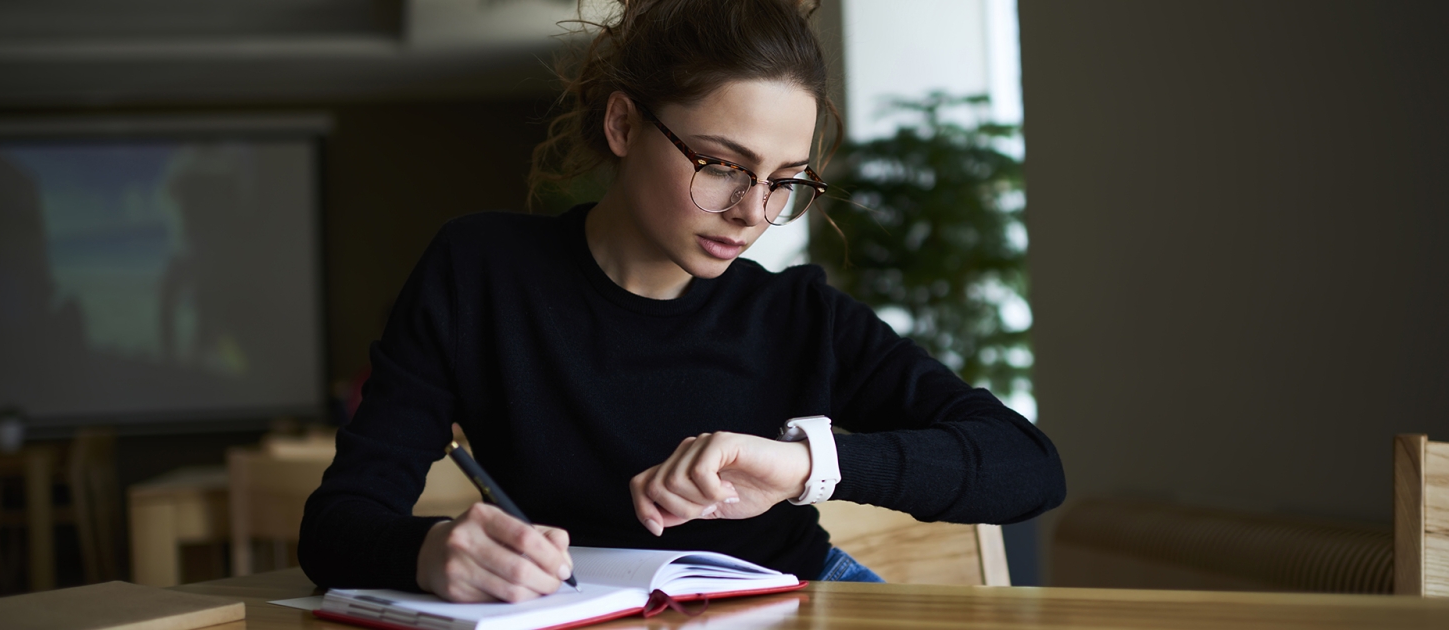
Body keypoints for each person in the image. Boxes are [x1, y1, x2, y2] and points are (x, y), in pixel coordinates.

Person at [299, 0, 1064, 603]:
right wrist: (431, 552)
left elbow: (1027, 467)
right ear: (624, 123)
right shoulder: (480, 273)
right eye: (723, 166)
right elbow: (337, 528)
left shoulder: (800, 315)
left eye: (784, 180)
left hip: (799, 600)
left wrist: (805, 466)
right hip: (578, 610)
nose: (753, 212)